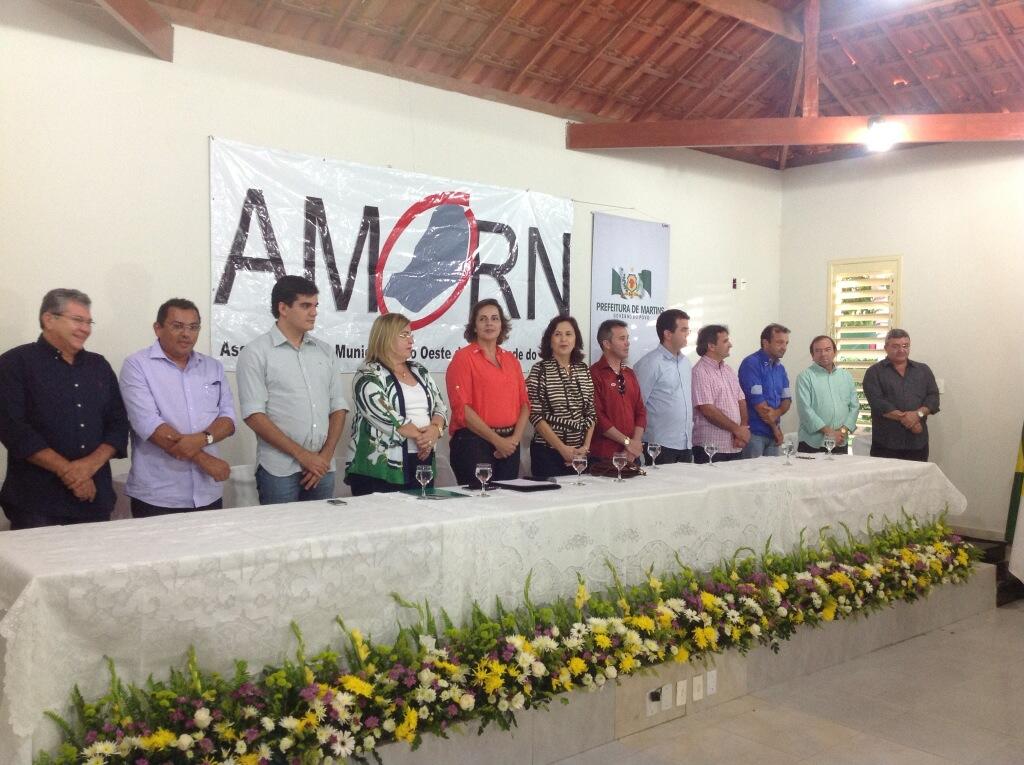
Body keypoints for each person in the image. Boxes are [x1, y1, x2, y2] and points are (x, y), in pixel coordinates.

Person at [0, 289, 129, 529]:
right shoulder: (14, 363)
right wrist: (70, 472)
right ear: (49, 319)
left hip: (94, 497)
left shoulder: (99, 366)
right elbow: (13, 429)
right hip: (36, 502)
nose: (85, 329)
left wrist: (87, 467)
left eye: (89, 322)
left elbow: (119, 424)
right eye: (78, 320)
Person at [119, 298, 236, 517]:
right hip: (158, 495)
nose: (186, 334)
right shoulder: (137, 365)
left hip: (208, 493)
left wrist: (201, 440)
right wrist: (204, 459)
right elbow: (149, 426)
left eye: (193, 327)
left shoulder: (213, 367)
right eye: (177, 326)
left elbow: (228, 420)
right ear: (158, 328)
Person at [237, 276, 349, 504]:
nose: (314, 312)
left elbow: (338, 407)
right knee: (282, 528)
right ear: (283, 308)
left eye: (315, 305)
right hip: (278, 469)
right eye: (305, 305)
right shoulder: (256, 353)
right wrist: (303, 456)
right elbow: (254, 415)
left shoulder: (325, 351)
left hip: (322, 467)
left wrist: (324, 456)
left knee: (321, 527)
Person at [345, 313, 448, 495]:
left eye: (411, 334)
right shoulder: (368, 374)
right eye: (404, 335)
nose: (411, 340)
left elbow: (440, 406)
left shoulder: (419, 370)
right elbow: (386, 415)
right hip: (379, 468)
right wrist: (424, 439)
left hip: (420, 460)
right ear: (386, 337)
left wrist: (435, 429)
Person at [445, 299, 530, 487]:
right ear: (474, 326)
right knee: (479, 501)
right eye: (482, 319)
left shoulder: (511, 360)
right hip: (473, 443)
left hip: (510, 445)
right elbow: (462, 409)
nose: (489, 323)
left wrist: (514, 440)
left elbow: (524, 404)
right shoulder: (463, 358)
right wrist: (497, 441)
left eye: (494, 318)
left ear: (502, 325)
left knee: (506, 500)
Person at [525, 315, 596, 478]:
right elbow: (535, 415)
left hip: (580, 454)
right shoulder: (539, 370)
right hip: (547, 454)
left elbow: (591, 413)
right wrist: (562, 449)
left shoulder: (583, 369)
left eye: (569, 334)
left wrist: (585, 448)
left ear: (576, 339)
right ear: (550, 340)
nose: (564, 339)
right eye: (558, 334)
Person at [862, 328, 939, 461]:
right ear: (886, 348)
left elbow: (933, 398)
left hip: (917, 443)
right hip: (886, 443)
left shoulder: (923, 370)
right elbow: (878, 403)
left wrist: (917, 415)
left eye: (905, 346)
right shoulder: (874, 372)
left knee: (918, 475)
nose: (901, 350)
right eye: (895, 346)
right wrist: (909, 420)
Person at [633, 308, 693, 464]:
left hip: (685, 443)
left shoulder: (686, 362)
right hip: (659, 444)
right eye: (683, 330)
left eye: (688, 329)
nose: (688, 334)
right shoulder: (650, 363)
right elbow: (637, 405)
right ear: (668, 334)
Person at [589, 319, 646, 463]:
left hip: (631, 456)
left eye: (627, 338)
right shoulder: (594, 374)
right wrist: (627, 442)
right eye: (622, 339)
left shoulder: (630, 374)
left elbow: (640, 411)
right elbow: (598, 418)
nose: (627, 343)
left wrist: (634, 443)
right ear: (607, 344)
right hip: (604, 456)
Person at [691, 324, 748, 463]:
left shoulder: (728, 370)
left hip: (734, 445)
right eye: (725, 341)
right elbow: (707, 409)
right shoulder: (699, 371)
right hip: (710, 448)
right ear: (711, 346)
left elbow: (741, 400)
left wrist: (742, 429)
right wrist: (737, 429)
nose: (730, 345)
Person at [795, 335, 859, 454]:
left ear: (834, 352)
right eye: (818, 351)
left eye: (827, 349)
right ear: (812, 355)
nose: (823, 354)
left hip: (840, 441)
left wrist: (842, 432)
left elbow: (854, 407)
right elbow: (805, 410)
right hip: (812, 444)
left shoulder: (846, 376)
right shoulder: (804, 377)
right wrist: (830, 433)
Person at [738, 323, 792, 458]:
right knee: (753, 471)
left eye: (786, 343)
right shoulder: (751, 363)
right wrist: (775, 428)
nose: (784, 347)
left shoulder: (780, 368)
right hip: (754, 433)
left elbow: (787, 399)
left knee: (772, 472)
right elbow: (759, 404)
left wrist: (777, 413)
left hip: (773, 434)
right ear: (765, 343)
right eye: (779, 342)